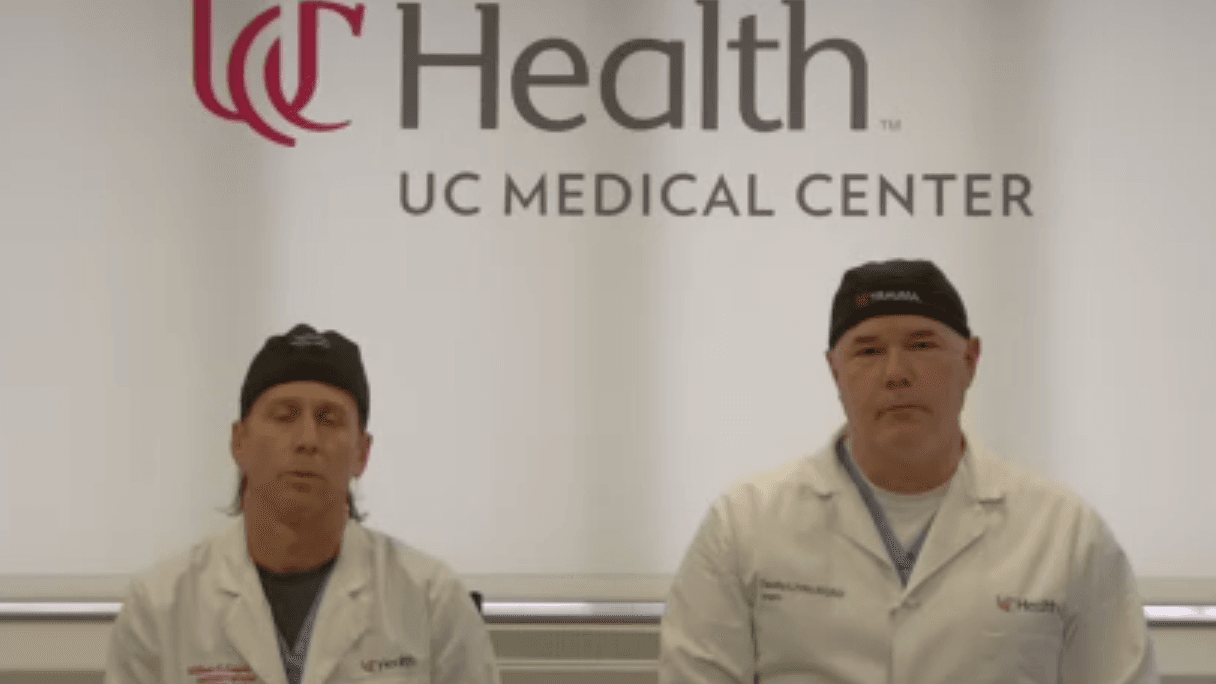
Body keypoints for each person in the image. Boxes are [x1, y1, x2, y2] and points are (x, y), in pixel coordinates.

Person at [658, 259, 1159, 684]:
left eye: (922, 345)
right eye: (869, 351)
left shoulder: (1064, 534)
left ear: (971, 360)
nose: (897, 372)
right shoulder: (744, 526)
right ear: (835, 371)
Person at [104, 323, 500, 684]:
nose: (307, 439)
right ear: (239, 441)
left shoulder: (431, 602)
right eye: (284, 415)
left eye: (329, 419)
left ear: (361, 452)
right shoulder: (159, 607)